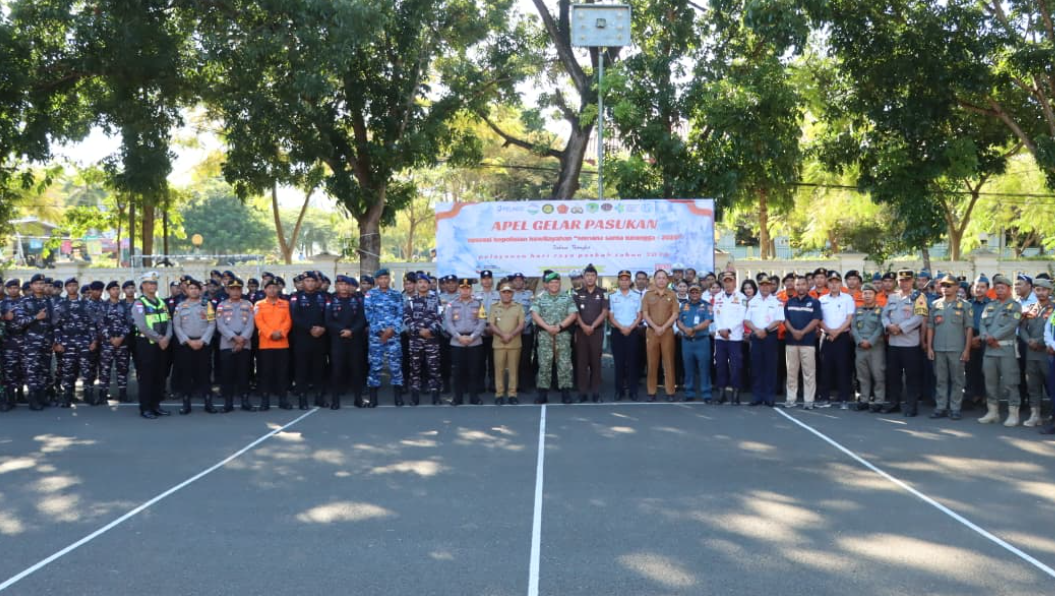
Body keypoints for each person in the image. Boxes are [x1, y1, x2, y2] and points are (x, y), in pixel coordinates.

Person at [978, 275, 1024, 425]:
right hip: (990, 351)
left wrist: (994, 337)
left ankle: (1013, 414)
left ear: (1009, 289)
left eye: (1002, 288)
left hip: (1006, 350)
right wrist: (986, 337)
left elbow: (1012, 325)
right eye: (997, 288)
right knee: (990, 383)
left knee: (1011, 382)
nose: (999, 290)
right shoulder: (990, 305)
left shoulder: (1015, 306)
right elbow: (982, 323)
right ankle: (993, 412)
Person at [926, 274, 973, 420]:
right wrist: (929, 348)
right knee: (940, 379)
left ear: (957, 287)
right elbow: (930, 327)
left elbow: (969, 328)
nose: (945, 288)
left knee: (957, 380)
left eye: (949, 285)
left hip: (957, 349)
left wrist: (967, 349)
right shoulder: (935, 305)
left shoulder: (965, 305)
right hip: (939, 348)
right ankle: (940, 407)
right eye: (943, 285)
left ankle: (955, 408)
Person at [881, 269, 928, 416]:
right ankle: (894, 403)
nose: (904, 283)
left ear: (912, 281)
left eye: (907, 280)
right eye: (901, 281)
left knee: (912, 376)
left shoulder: (919, 296)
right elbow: (884, 315)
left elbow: (919, 317)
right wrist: (888, 326)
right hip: (894, 343)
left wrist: (900, 328)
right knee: (893, 375)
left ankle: (911, 405)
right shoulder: (893, 297)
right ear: (898, 282)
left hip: (909, 343)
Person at [532, 272, 578, 404]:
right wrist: (547, 327)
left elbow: (573, 314)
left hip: (562, 336)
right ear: (547, 284)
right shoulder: (540, 297)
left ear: (559, 283)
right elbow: (535, 314)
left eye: (556, 282)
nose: (554, 284)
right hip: (545, 336)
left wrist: (560, 326)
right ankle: (542, 394)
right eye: (551, 282)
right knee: (544, 365)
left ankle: (565, 393)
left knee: (564, 364)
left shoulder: (567, 297)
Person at [132, 271, 173, 419]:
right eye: (150, 283)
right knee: (147, 377)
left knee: (160, 376)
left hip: (162, 345)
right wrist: (159, 339)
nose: (153, 286)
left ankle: (156, 405)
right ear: (143, 285)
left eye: (155, 283)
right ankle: (146, 408)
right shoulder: (139, 303)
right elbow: (142, 326)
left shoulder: (161, 302)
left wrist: (167, 338)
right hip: (147, 345)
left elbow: (169, 322)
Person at [172, 279, 217, 415]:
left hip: (203, 344)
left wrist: (203, 340)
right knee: (186, 374)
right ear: (186, 290)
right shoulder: (180, 306)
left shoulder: (207, 304)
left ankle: (208, 402)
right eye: (191, 288)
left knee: (205, 373)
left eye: (196, 288)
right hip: (187, 345)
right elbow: (177, 326)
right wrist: (187, 341)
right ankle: (186, 403)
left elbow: (212, 324)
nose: (194, 291)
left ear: (200, 290)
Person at [289, 271, 330, 409]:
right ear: (302, 283)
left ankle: (319, 397)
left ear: (317, 283)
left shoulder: (323, 297)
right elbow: (295, 317)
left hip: (320, 338)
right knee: (302, 370)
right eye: (307, 281)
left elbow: (328, 315)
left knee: (319, 369)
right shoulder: (296, 298)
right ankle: (302, 398)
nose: (310, 283)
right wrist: (310, 328)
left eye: (313, 281)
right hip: (302, 339)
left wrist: (323, 327)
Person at [365, 268, 405, 406]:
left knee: (395, 366)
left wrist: (391, 330)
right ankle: (373, 398)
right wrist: (381, 332)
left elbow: (400, 314)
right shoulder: (370, 294)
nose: (383, 281)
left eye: (386, 278)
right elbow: (369, 315)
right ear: (377, 280)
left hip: (393, 336)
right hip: (376, 337)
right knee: (375, 366)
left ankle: (398, 397)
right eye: (380, 278)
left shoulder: (397, 294)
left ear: (389, 279)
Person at [444, 278, 486, 405]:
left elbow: (482, 322)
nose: (465, 290)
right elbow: (448, 323)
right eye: (463, 288)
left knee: (474, 371)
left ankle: (474, 397)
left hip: (475, 341)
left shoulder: (479, 304)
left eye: (467, 288)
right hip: (457, 342)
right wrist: (458, 336)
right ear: (459, 289)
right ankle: (458, 397)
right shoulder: (451, 304)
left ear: (471, 290)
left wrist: (472, 336)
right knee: (457, 371)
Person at [216, 279, 256, 413]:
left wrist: (242, 339)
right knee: (227, 375)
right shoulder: (221, 305)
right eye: (232, 289)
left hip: (245, 344)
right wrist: (234, 338)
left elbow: (251, 324)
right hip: (227, 344)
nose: (235, 291)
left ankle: (245, 401)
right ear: (227, 290)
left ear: (241, 290)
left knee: (244, 374)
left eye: (238, 289)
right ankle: (228, 403)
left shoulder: (248, 304)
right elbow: (220, 324)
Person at [404, 273, 443, 406]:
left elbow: (440, 317)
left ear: (429, 284)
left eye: (425, 282)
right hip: (415, 340)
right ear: (416, 285)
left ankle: (436, 397)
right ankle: (414, 397)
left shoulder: (436, 299)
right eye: (420, 282)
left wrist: (430, 330)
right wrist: (420, 330)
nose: (422, 284)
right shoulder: (410, 300)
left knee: (434, 369)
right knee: (415, 369)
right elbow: (407, 318)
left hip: (432, 339)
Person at [818, 271, 855, 410]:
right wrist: (829, 331)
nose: (834, 284)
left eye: (836, 282)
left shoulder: (847, 298)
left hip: (842, 337)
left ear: (840, 283)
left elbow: (849, 318)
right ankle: (825, 398)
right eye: (831, 282)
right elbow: (819, 319)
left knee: (843, 368)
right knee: (825, 368)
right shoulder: (822, 299)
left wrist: (837, 332)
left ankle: (843, 398)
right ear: (828, 284)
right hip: (826, 336)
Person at [744, 276, 783, 406]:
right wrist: (756, 330)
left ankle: (769, 396)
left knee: (770, 367)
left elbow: (779, 320)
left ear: (771, 286)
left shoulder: (777, 301)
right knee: (756, 367)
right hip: (756, 336)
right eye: (762, 285)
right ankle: (757, 396)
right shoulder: (752, 301)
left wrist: (765, 331)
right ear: (759, 286)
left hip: (770, 336)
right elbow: (747, 320)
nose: (765, 287)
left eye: (767, 285)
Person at [784, 275, 822, 409]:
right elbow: (786, 320)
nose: (800, 287)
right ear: (795, 286)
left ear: (807, 286)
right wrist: (794, 331)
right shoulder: (789, 302)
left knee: (809, 373)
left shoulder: (814, 302)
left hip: (808, 342)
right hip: (791, 342)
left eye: (803, 284)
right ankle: (790, 399)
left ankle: (809, 401)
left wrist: (802, 332)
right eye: (798, 284)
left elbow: (816, 320)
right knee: (791, 372)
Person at [572, 264, 609, 403]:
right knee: (581, 363)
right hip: (581, 332)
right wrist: (583, 326)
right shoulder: (577, 293)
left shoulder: (603, 293)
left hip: (596, 332)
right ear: (583, 277)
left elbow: (604, 312)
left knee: (595, 363)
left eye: (592, 275)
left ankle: (596, 393)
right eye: (587, 275)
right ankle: (582, 393)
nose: (590, 278)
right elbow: (575, 312)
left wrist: (592, 326)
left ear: (596, 277)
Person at [254, 280, 293, 410]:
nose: (272, 290)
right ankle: (265, 400)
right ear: (264, 290)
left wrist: (281, 333)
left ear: (279, 289)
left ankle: (283, 399)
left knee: (282, 374)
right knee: (265, 373)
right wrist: (270, 333)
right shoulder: (258, 305)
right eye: (269, 288)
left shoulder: (286, 304)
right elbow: (259, 321)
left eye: (274, 287)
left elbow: (288, 321)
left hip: (282, 344)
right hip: (265, 344)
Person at [1019, 277, 1052, 427]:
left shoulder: (1054, 309)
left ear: (1049, 291)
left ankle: (1052, 414)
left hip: (1048, 354)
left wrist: (1039, 341)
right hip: (1031, 354)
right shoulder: (1029, 309)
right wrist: (1028, 341)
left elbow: (1053, 332)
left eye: (1044, 290)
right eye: (1038, 290)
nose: (1041, 293)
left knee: (1051, 384)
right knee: (1033, 385)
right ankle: (1035, 414)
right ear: (1034, 291)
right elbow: (1022, 329)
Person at [713, 271, 748, 404]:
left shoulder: (741, 297)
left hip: (735, 337)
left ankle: (735, 394)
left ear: (734, 282)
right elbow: (716, 316)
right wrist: (721, 330)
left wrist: (729, 330)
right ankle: (722, 393)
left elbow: (742, 317)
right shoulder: (718, 297)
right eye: (725, 281)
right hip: (720, 337)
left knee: (736, 366)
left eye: (730, 280)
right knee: (720, 365)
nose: (728, 283)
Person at [608, 270, 643, 401]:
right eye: (622, 279)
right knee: (619, 363)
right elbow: (610, 316)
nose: (624, 281)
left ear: (630, 281)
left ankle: (633, 391)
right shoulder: (612, 296)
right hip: (618, 332)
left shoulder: (636, 295)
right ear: (618, 281)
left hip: (632, 331)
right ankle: (619, 391)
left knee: (633, 362)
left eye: (626, 279)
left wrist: (630, 328)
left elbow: (640, 315)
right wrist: (621, 328)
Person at [489, 283, 525, 405]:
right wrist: (502, 335)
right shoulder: (494, 307)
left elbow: (521, 324)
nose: (506, 294)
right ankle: (499, 394)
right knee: (499, 370)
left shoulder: (518, 307)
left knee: (513, 370)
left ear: (512, 294)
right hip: (499, 343)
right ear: (500, 293)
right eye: (504, 292)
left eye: (509, 292)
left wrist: (511, 335)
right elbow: (492, 324)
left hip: (514, 343)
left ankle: (512, 394)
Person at [98, 281, 134, 404]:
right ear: (108, 291)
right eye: (113, 289)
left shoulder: (125, 306)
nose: (116, 291)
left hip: (122, 343)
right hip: (108, 343)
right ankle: (102, 394)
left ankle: (123, 394)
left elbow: (129, 323)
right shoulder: (103, 306)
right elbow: (101, 324)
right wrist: (111, 338)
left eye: (118, 289)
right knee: (105, 369)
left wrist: (121, 337)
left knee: (122, 369)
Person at [852, 283, 886, 412]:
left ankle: (879, 401)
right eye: (865, 293)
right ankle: (864, 400)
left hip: (875, 347)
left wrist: (870, 342)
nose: (867, 296)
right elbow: (854, 327)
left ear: (875, 295)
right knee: (862, 376)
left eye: (870, 293)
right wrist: (860, 341)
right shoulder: (858, 310)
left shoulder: (881, 311)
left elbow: (880, 328)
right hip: (860, 348)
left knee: (878, 375)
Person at [677, 283, 713, 402]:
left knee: (704, 368)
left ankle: (706, 394)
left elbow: (707, 321)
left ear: (700, 293)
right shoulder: (683, 306)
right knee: (688, 368)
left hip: (702, 341)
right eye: (692, 292)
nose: (694, 294)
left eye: (696, 292)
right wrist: (684, 329)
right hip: (687, 342)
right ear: (689, 293)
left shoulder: (707, 305)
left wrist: (693, 329)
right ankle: (689, 393)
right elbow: (678, 321)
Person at [966, 275, 991, 410]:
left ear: (987, 289)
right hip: (969, 338)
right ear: (972, 288)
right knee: (970, 368)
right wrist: (970, 340)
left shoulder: (992, 304)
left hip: (986, 339)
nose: (979, 289)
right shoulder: (967, 304)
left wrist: (980, 338)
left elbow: (993, 324)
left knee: (985, 369)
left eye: (982, 287)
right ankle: (972, 395)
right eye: (977, 286)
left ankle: (985, 396)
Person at [511, 273, 536, 392]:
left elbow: (532, 311)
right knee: (513, 359)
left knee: (525, 359)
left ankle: (525, 384)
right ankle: (514, 384)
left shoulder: (529, 294)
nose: (518, 282)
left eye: (520, 280)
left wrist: (523, 324)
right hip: (512, 332)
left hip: (526, 332)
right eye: (515, 280)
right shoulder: (507, 294)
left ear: (524, 282)